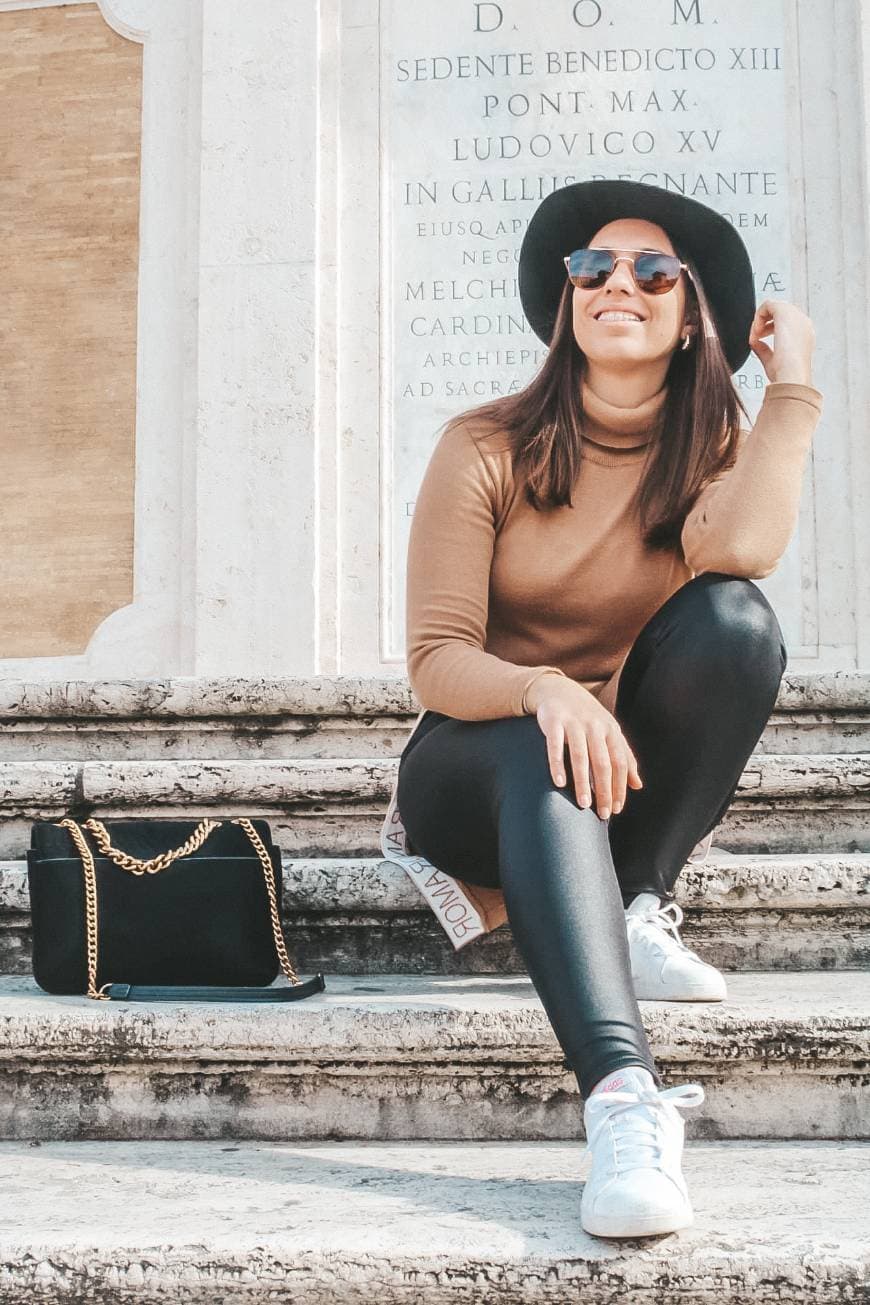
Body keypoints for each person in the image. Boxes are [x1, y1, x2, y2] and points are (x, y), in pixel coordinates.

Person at [381, 179, 822, 1239]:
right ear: (567, 300)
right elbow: (438, 660)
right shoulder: (483, 445)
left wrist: (792, 391)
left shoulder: (708, 448)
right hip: (476, 767)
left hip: (615, 781)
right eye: (593, 267)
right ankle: (625, 1102)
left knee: (736, 623)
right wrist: (544, 691)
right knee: (541, 744)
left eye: (653, 270)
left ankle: (634, 903)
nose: (617, 281)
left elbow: (741, 559)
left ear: (689, 318)